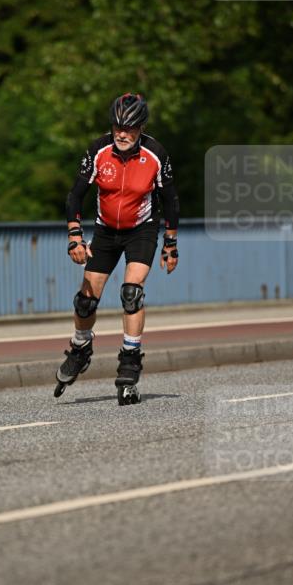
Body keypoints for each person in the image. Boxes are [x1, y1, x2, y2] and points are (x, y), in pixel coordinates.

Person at [55, 93, 179, 403]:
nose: (122, 134)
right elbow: (75, 195)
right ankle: (81, 347)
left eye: (130, 128)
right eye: (117, 127)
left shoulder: (156, 154)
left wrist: (171, 243)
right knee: (85, 301)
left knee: (131, 292)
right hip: (106, 231)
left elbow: (170, 200)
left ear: (141, 128)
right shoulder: (99, 151)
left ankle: (130, 360)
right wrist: (75, 236)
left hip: (142, 230)